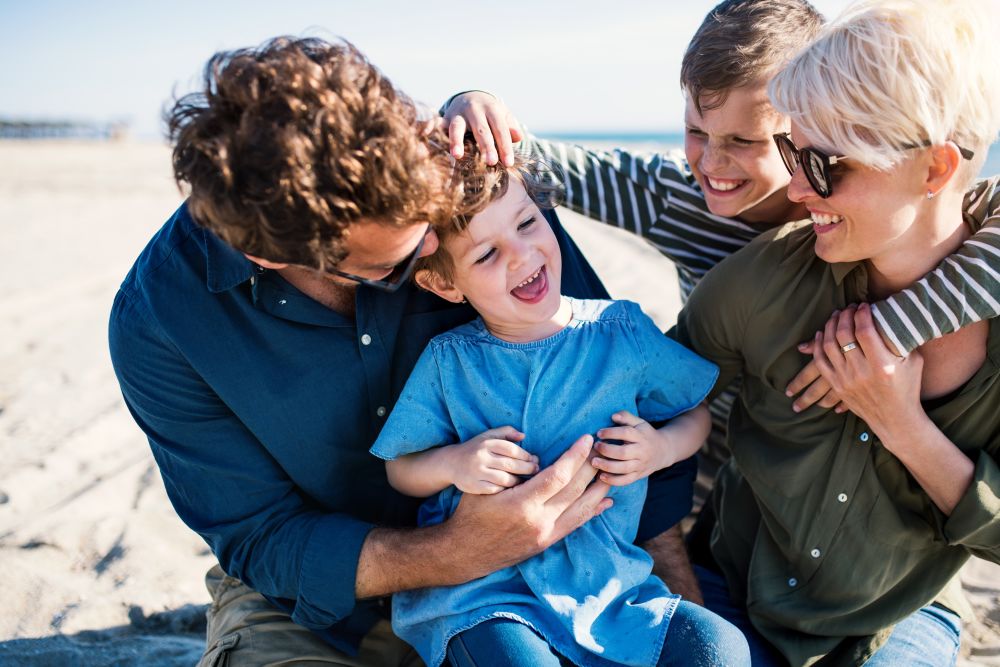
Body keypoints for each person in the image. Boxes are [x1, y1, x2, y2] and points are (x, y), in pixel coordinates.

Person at [108, 37, 698, 666]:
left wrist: (679, 593)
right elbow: (263, 540)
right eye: (396, 265)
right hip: (330, 612)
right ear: (274, 257)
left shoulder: (448, 184)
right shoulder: (162, 323)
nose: (432, 254)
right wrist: (456, 551)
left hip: (569, 571)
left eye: (432, 224)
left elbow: (616, 384)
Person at [442, 0, 1000, 518]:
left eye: (745, 140)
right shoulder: (676, 196)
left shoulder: (867, 202)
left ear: (804, 121)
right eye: (694, 130)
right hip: (708, 462)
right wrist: (467, 106)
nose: (711, 162)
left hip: (837, 486)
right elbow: (526, 157)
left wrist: (892, 327)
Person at [669, 0, 1000, 664]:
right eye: (792, 151)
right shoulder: (757, 282)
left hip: (901, 612)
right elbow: (648, 398)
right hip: (734, 589)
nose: (794, 187)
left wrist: (902, 422)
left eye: (823, 165)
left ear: (933, 170)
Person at [369, 144, 749, 667]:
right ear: (444, 283)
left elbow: (695, 411)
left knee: (720, 647)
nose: (522, 256)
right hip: (486, 597)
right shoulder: (450, 361)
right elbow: (400, 469)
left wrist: (660, 447)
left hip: (609, 588)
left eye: (527, 223)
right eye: (486, 254)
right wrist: (454, 463)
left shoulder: (620, 332)